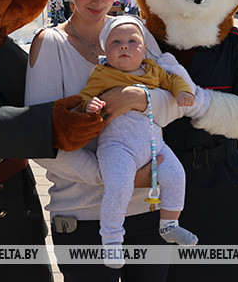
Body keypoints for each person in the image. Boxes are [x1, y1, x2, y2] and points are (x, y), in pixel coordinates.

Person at [27, 0, 188, 281]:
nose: (99, 1)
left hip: (148, 212)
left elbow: (179, 101)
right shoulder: (51, 44)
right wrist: (116, 176)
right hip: (81, 216)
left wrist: (138, 97)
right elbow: (39, 142)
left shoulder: (134, 32)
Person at [80, 17, 206, 268]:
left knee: (176, 174)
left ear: (145, 47)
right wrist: (88, 104)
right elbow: (84, 96)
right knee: (118, 187)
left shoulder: (153, 70)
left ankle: (169, 224)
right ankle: (112, 241)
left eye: (132, 41)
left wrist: (183, 92)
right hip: (117, 145)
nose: (124, 46)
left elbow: (173, 81)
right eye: (116, 42)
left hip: (154, 144)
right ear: (105, 49)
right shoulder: (103, 73)